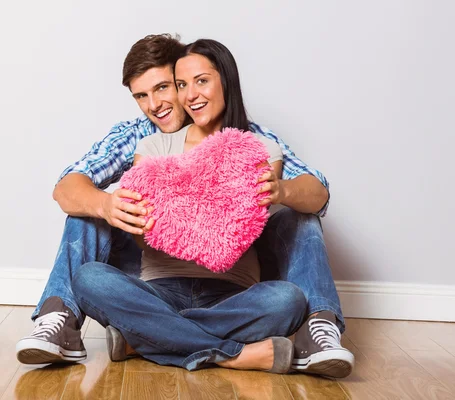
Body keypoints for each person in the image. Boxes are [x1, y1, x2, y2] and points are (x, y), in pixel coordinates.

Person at [15, 33, 353, 378]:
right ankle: (60, 319)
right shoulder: (143, 139)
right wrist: (107, 205)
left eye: (164, 87)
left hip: (232, 287)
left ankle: (145, 340)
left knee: (289, 293)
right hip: (152, 279)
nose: (155, 104)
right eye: (141, 96)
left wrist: (279, 191)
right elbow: (67, 187)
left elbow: (317, 191)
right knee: (87, 238)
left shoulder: (254, 142)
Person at [72, 39, 305, 374]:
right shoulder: (153, 145)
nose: (190, 94)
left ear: (225, 80)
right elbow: (142, 238)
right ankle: (232, 355)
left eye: (201, 81)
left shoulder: (260, 149)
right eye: (182, 85)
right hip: (159, 290)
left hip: (232, 293)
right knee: (89, 278)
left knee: (288, 301)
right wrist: (167, 218)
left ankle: (145, 338)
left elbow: (250, 225)